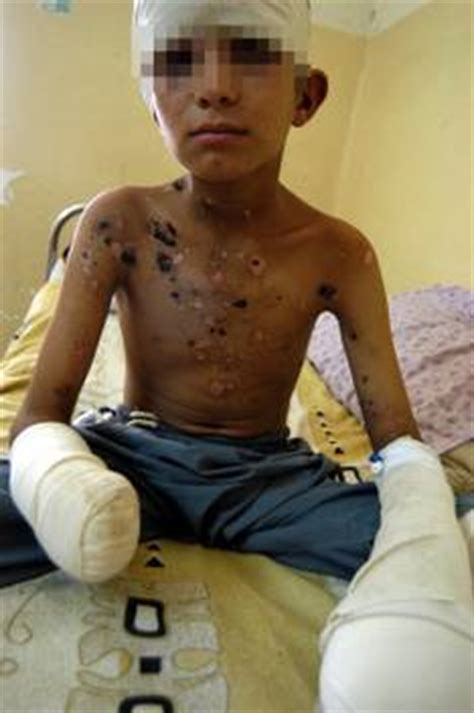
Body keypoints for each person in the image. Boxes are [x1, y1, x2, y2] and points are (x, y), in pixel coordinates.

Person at [1, 1, 472, 708]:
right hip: (131, 457)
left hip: (270, 484)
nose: (214, 87)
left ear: (306, 96)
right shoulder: (117, 222)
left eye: (251, 56)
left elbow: (397, 441)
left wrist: (423, 521)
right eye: (178, 62)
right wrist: (62, 481)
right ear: (150, 97)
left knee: (450, 534)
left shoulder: (340, 254)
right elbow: (39, 418)